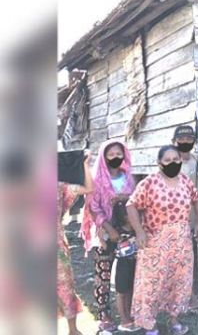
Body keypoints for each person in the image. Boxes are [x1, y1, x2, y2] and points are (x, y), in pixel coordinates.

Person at [126, 145, 198, 335]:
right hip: (154, 242)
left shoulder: (185, 181)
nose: (173, 164)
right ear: (159, 163)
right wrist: (139, 232)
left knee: (179, 280)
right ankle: (149, 325)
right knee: (152, 283)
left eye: (176, 160)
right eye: (167, 161)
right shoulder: (149, 183)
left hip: (181, 241)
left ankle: (174, 320)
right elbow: (131, 205)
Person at [82, 140, 136, 333]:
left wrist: (123, 198)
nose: (115, 158)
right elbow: (93, 208)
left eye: (118, 154)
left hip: (127, 234)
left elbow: (135, 200)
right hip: (104, 234)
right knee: (103, 275)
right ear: (104, 157)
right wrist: (108, 229)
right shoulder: (96, 179)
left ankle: (128, 312)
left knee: (126, 273)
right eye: (111, 155)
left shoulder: (128, 177)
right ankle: (104, 315)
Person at [171, 125, 198, 314]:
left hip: (191, 216)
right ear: (175, 141)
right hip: (171, 217)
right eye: (182, 139)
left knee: (190, 257)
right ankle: (180, 296)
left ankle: (190, 295)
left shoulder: (196, 159)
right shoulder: (170, 159)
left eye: (189, 139)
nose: (185, 142)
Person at [58, 150, 93, 335]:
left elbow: (88, 189)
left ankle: (73, 330)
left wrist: (85, 164)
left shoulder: (58, 186)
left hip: (54, 246)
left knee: (65, 286)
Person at [111, 202, 139, 332]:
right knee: (121, 292)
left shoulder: (136, 230)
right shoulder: (117, 231)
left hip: (134, 264)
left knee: (130, 291)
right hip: (122, 264)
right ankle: (123, 318)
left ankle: (130, 314)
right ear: (124, 217)